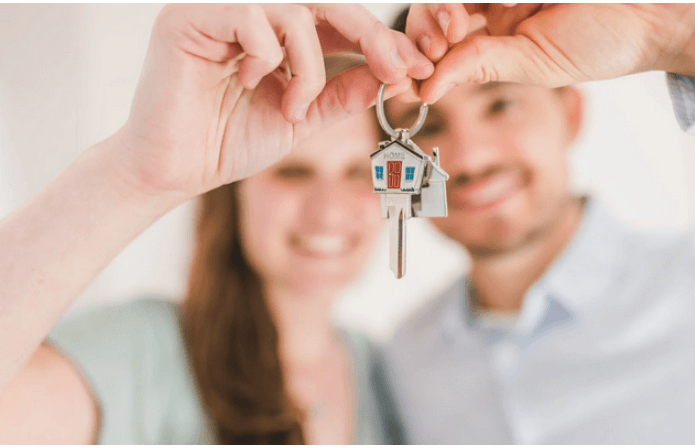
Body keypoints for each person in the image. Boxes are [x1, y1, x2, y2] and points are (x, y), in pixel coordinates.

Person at [0, 4, 433, 444]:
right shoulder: (142, 352)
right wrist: (135, 175)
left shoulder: (385, 372)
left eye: (358, 173)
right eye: (292, 173)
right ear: (235, 193)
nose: (329, 212)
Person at [383, 3, 695, 444]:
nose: (469, 158)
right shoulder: (402, 362)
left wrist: (692, 31)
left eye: (501, 104)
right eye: (424, 127)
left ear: (571, 114)